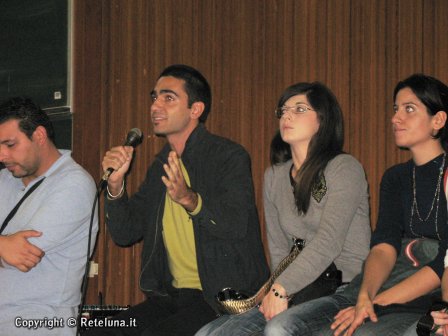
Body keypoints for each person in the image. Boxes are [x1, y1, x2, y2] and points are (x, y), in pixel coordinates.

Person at [83, 64, 269, 336]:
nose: (156, 105)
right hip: (170, 298)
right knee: (99, 331)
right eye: (154, 97)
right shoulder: (161, 165)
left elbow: (236, 224)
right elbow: (126, 232)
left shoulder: (228, 157)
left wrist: (190, 199)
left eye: (168, 97)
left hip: (220, 297)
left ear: (196, 109)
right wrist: (115, 186)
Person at [258, 73, 448, 336]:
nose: (395, 118)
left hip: (429, 296)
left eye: (409, 109)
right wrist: (364, 295)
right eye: (395, 109)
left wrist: (375, 302)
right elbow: (383, 247)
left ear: (438, 120)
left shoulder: (345, 168)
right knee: (284, 327)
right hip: (386, 284)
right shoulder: (395, 177)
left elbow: (443, 263)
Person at [195, 81, 371, 336]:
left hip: (345, 288)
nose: (287, 115)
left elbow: (328, 242)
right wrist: (281, 291)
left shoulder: (344, 168)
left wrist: (282, 288)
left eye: (299, 109)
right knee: (209, 333)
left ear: (322, 119)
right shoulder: (274, 177)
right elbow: (280, 250)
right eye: (284, 110)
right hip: (299, 288)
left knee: (280, 328)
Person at [0, 97, 98, 335]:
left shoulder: (74, 184)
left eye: (10, 145)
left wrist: (6, 248)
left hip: (38, 320)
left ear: (40, 136)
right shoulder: (5, 180)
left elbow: (22, 254)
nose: (2, 156)